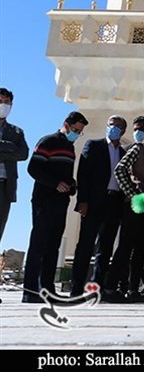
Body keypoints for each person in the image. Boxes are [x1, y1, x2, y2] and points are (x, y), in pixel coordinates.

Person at [22, 111, 88, 303]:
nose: (76, 134)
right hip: (44, 199)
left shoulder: (70, 147)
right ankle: (30, 290)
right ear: (66, 125)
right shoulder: (48, 141)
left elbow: (65, 173)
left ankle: (47, 289)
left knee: (53, 245)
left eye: (80, 132)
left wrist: (71, 184)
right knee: (39, 243)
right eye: (75, 129)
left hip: (61, 202)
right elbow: (33, 168)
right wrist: (54, 183)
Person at [104, 118, 144, 303]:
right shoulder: (138, 148)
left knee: (143, 250)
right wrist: (133, 195)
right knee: (125, 246)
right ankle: (110, 288)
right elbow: (120, 169)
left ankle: (134, 290)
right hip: (136, 204)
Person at [70, 115, 128, 297]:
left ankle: (97, 288)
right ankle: (77, 288)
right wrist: (82, 200)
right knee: (86, 245)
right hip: (94, 202)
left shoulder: (124, 153)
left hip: (114, 202)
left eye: (118, 126)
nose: (114, 128)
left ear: (124, 131)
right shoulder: (93, 145)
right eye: (111, 125)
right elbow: (83, 174)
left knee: (106, 247)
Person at [0, 87, 29, 244]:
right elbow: (15, 151)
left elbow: (23, 154)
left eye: (6, 102)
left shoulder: (17, 132)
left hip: (5, 186)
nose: (3, 105)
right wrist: (10, 147)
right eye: (0, 101)